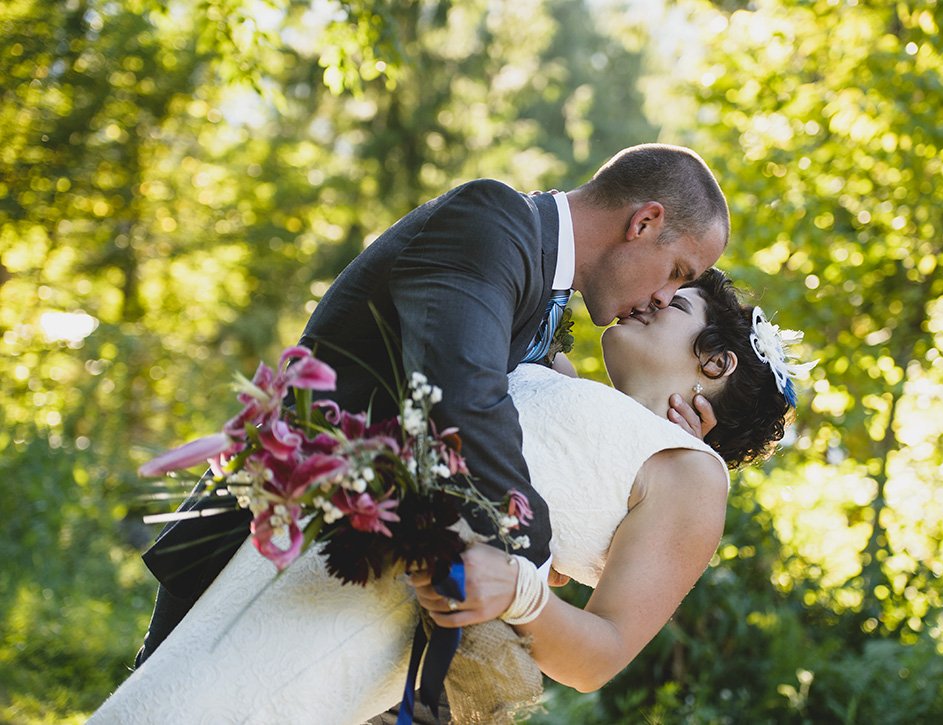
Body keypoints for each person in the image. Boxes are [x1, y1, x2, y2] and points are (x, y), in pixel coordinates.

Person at [87, 268, 814, 723]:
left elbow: (600, 655)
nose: (653, 292)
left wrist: (523, 594)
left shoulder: (692, 473)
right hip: (310, 550)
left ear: (715, 360)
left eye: (676, 298)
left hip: (374, 603)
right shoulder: (563, 377)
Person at [133, 143, 731, 669]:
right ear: (645, 221)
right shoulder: (491, 222)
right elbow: (462, 400)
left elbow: (542, 426)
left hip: (336, 589)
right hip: (257, 552)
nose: (664, 295)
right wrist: (527, 560)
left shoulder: (543, 291)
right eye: (677, 271)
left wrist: (647, 430)